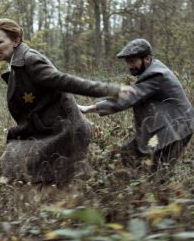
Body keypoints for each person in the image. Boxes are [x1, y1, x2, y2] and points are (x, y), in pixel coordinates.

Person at [0, 18, 134, 185]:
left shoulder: (30, 60)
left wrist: (112, 90)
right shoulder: (16, 64)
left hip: (64, 131)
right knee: (21, 166)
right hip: (48, 130)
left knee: (36, 172)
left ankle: (108, 187)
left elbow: (66, 81)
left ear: (16, 41)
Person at [79, 38, 194, 172]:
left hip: (175, 130)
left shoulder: (156, 75)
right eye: (128, 62)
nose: (130, 66)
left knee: (158, 172)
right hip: (162, 128)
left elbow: (128, 98)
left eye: (133, 61)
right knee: (125, 156)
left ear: (147, 59)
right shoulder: (153, 71)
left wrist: (89, 108)